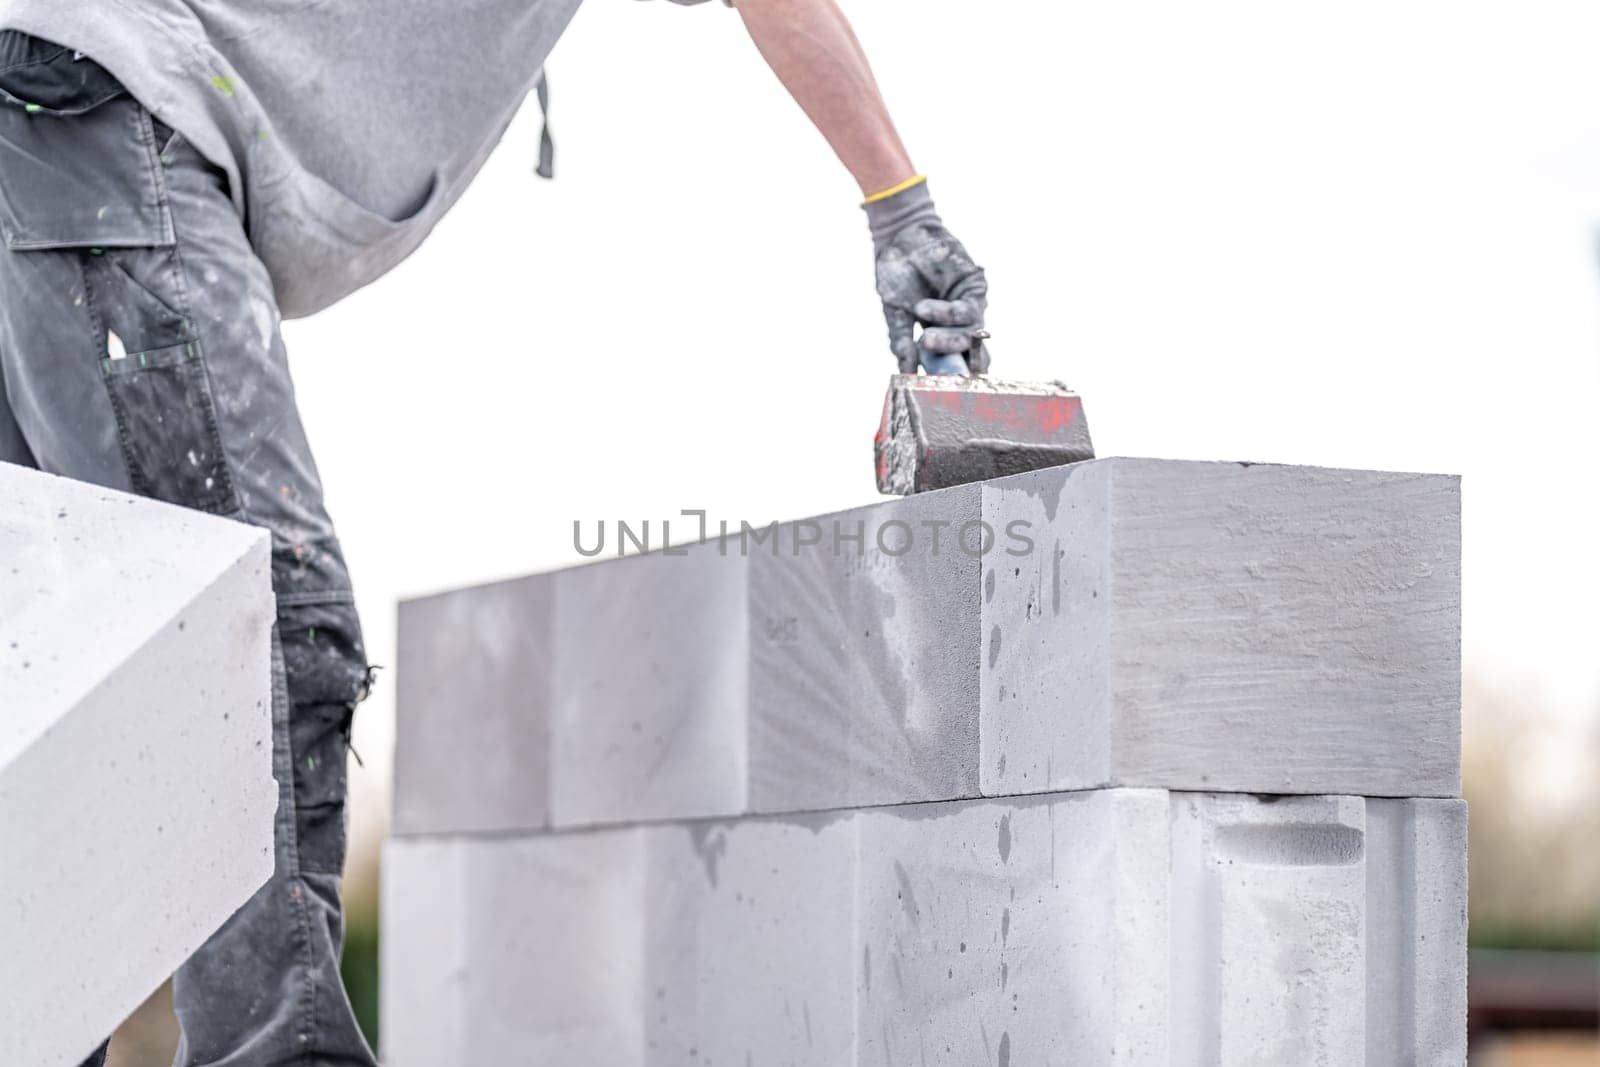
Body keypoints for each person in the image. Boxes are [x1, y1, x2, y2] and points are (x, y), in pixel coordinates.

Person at [0, 1, 990, 1063]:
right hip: (106, 106)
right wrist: (900, 208)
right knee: (259, 628)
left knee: (73, 679)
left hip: (61, 123)